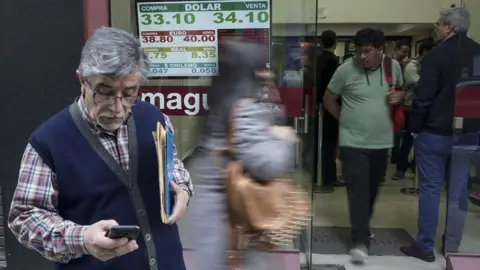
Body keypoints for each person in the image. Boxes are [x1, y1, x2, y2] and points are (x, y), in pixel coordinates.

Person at [7, 27, 193, 270]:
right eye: (104, 93)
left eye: (129, 93)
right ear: (82, 80)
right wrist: (81, 239)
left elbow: (173, 166)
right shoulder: (48, 141)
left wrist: (182, 188)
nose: (118, 107)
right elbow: (24, 217)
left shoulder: (155, 119)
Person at [189, 39, 297, 270]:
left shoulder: (218, 100)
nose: (264, 72)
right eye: (260, 67)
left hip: (214, 213)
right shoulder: (244, 106)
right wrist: (284, 138)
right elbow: (266, 163)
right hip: (239, 213)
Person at [400, 7, 480, 262]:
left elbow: (423, 97)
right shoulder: (478, 53)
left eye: (438, 24)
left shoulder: (436, 56)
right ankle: (452, 248)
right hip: (469, 133)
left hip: (435, 133)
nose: (435, 28)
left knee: (431, 189)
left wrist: (414, 127)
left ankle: (424, 246)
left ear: (449, 27)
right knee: (458, 192)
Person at [323, 28, 404, 264]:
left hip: (381, 141)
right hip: (352, 142)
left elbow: (400, 90)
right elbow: (328, 98)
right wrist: (344, 119)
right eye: (359, 52)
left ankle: (363, 227)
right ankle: (360, 241)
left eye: (367, 51)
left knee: (371, 192)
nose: (362, 57)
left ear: (380, 49)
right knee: (357, 192)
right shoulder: (345, 69)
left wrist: (399, 96)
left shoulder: (393, 67)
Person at [392, 40, 435, 180]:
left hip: (425, 107)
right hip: (410, 107)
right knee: (408, 140)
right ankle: (400, 169)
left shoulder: (429, 65)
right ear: (424, 52)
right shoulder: (412, 66)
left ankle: (415, 167)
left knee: (422, 141)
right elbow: (422, 85)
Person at [315, 30, 344, 193]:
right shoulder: (333, 61)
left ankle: (317, 174)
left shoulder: (318, 59)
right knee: (330, 144)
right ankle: (329, 176)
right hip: (329, 107)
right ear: (335, 42)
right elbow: (334, 89)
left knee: (321, 142)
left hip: (317, 106)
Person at [390, 39, 411, 164]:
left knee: (398, 132)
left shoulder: (406, 66)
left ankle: (395, 156)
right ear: (396, 50)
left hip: (404, 105)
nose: (405, 54)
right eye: (403, 51)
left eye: (407, 52)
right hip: (392, 104)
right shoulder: (389, 65)